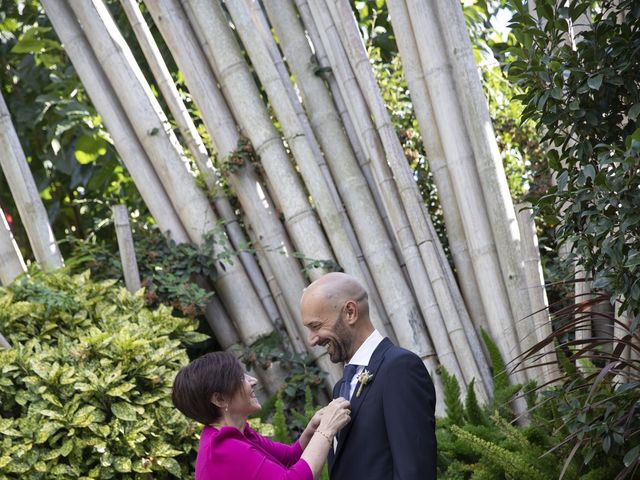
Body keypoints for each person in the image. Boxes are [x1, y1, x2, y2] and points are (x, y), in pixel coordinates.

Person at [301, 272, 437, 480]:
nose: (311, 340)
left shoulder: (399, 369)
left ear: (350, 312)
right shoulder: (341, 387)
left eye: (316, 326)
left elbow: (414, 471)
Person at [172, 351, 351, 480]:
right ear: (219, 399)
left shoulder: (237, 434)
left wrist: (312, 429)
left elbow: (290, 458)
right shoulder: (223, 449)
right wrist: (326, 430)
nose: (253, 380)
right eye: (241, 378)